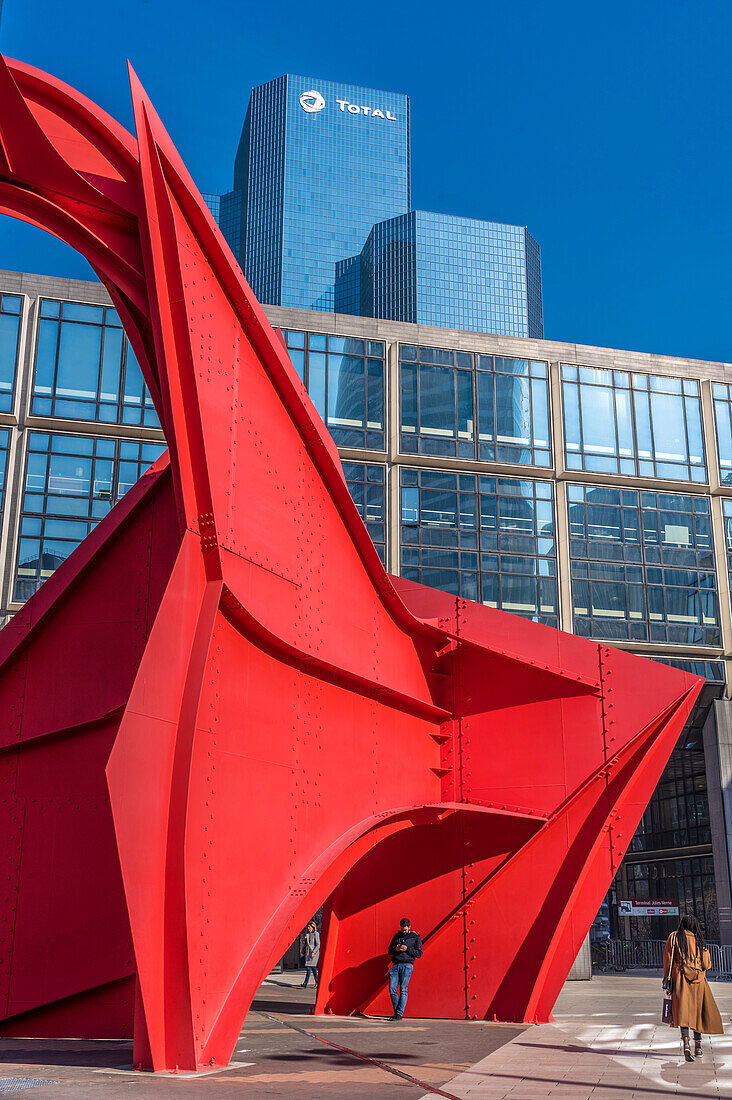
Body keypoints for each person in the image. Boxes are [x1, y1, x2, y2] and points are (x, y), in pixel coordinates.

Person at [663, 913, 723, 1061]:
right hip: (699, 982)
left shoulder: (674, 937)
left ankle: (686, 1045)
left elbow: (668, 960)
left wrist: (667, 981)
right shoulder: (699, 940)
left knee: (683, 1014)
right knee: (698, 1014)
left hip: (680, 981)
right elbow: (707, 964)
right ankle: (699, 1048)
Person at [387, 917, 423, 1020]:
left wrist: (407, 949)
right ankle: (397, 1012)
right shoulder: (396, 936)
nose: (404, 931)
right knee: (392, 989)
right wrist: (396, 948)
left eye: (406, 929)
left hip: (407, 965)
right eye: (402, 929)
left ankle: (398, 1014)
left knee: (403, 989)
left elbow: (419, 953)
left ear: (410, 927)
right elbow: (389, 950)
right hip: (395, 965)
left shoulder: (415, 937)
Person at [301, 920, 320, 987]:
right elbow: (306, 944)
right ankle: (308, 983)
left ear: (312, 927)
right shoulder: (307, 935)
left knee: (312, 968)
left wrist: (314, 952)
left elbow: (318, 945)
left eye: (309, 927)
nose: (308, 928)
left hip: (314, 954)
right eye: (308, 927)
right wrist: (305, 939)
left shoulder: (316, 934)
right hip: (308, 953)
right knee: (310, 968)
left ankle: (306, 983)